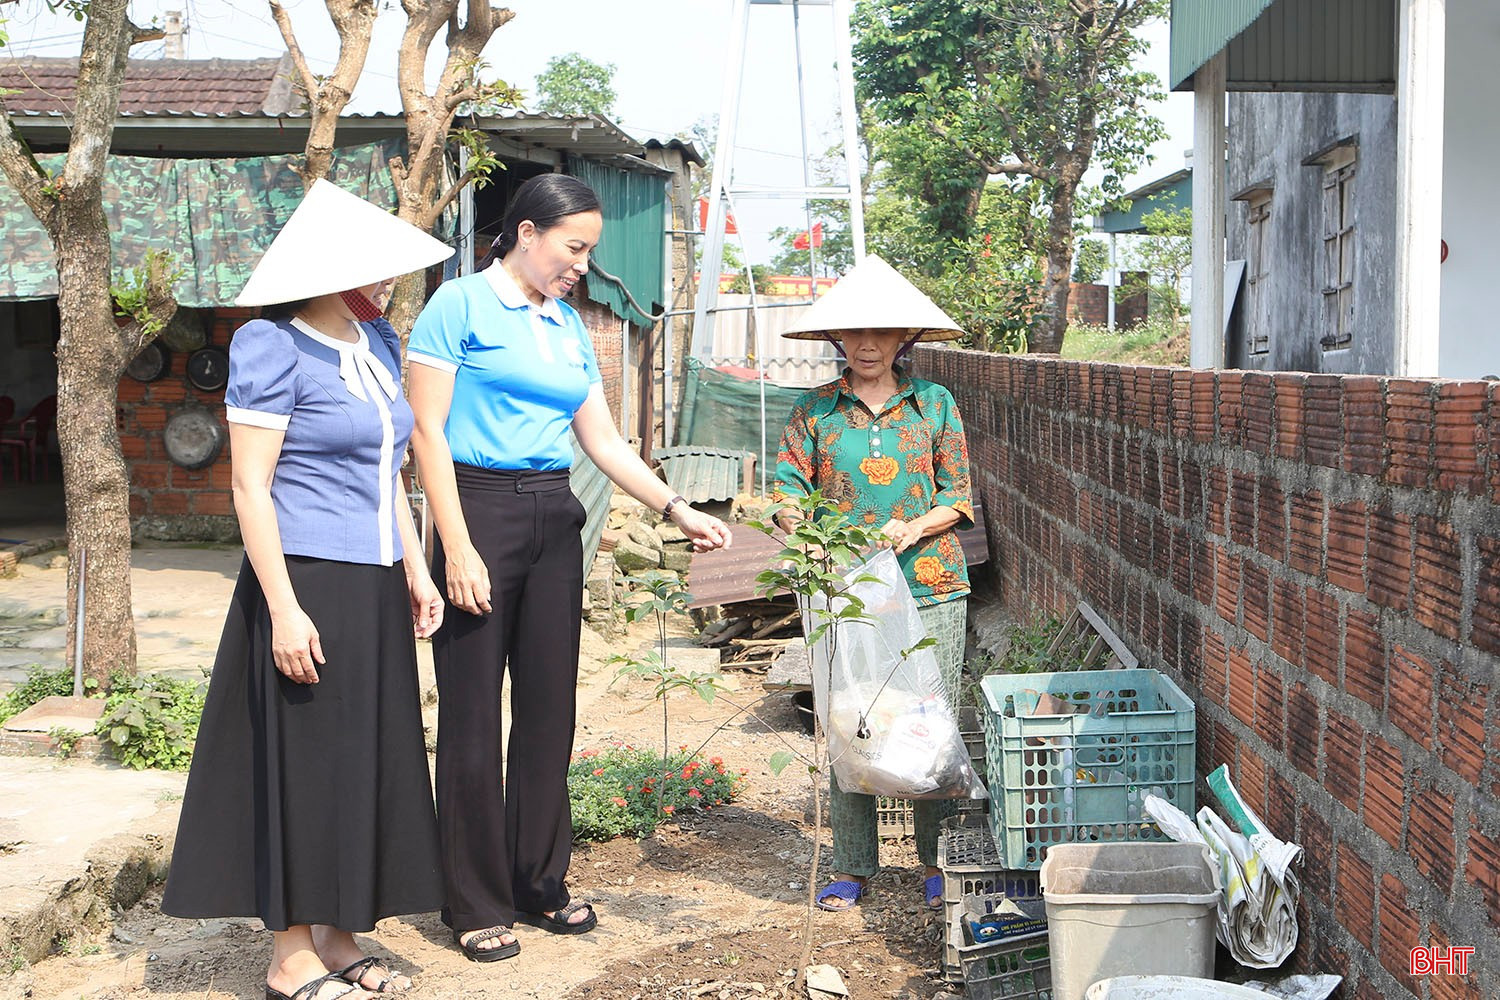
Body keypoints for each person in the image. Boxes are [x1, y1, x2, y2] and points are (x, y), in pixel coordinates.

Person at [406, 173, 732, 962]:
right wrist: (455, 545)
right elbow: (426, 434)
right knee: (476, 717)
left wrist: (675, 507)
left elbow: (605, 441)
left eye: (588, 250)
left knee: (550, 711)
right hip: (477, 507)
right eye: (573, 247)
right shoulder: (458, 305)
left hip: (556, 514)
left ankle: (538, 883)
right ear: (526, 233)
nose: (581, 264)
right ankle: (475, 900)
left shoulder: (565, 325)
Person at [162, 180, 453, 1000]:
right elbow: (250, 489)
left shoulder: (379, 344)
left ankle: (338, 931)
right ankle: (289, 956)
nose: (389, 283)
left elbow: (390, 470)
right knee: (301, 764)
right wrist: (284, 608)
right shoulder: (270, 346)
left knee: (361, 758)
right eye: (374, 268)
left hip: (374, 584)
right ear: (326, 271)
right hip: (301, 582)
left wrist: (417, 566)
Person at [769, 254, 974, 913]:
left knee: (927, 722)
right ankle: (853, 865)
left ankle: (934, 862)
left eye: (880, 334)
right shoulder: (815, 412)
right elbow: (786, 493)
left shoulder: (934, 404)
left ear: (902, 341)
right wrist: (808, 541)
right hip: (846, 588)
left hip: (932, 581)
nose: (865, 345)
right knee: (851, 718)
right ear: (837, 341)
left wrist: (914, 528)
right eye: (853, 334)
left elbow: (959, 496)